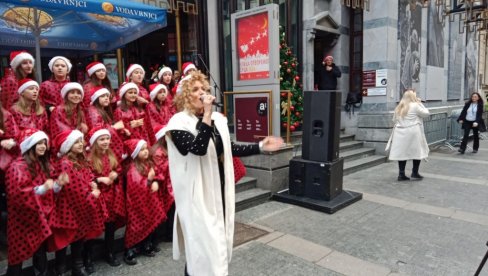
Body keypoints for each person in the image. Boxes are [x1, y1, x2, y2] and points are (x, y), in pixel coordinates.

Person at [162, 71, 283, 276]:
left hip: (218, 190)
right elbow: (197, 148)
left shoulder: (217, 120)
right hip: (196, 197)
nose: (202, 93)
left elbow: (228, 148)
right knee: (201, 249)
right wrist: (207, 114)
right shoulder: (177, 123)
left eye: (204, 89)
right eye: (196, 89)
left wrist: (260, 146)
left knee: (213, 246)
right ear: (184, 96)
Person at [4, 128, 62, 276]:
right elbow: (18, 195)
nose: (43, 146)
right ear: (29, 145)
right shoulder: (16, 167)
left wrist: (57, 185)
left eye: (44, 143)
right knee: (17, 257)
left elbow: (48, 189)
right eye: (39, 143)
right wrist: (42, 189)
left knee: (40, 251)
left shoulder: (41, 164)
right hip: (22, 221)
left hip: (39, 218)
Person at [49, 129, 106, 276]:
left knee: (79, 238)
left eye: (81, 141)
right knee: (64, 240)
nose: (80, 144)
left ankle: (77, 266)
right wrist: (92, 195)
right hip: (68, 208)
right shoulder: (65, 164)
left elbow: (89, 176)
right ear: (68, 146)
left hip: (80, 207)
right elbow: (74, 189)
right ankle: (60, 269)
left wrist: (93, 183)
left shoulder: (81, 160)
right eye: (76, 142)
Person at [87, 127, 125, 268]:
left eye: (107, 139)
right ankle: (88, 257)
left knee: (110, 226)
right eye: (101, 139)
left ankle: (110, 253)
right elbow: (87, 177)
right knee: (93, 227)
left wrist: (115, 175)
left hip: (112, 197)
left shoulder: (111, 154)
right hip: (99, 197)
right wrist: (99, 179)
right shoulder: (89, 158)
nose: (105, 142)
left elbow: (118, 169)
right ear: (95, 142)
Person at [123, 138, 166, 265]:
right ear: (135, 153)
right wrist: (149, 180)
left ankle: (146, 244)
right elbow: (135, 185)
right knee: (136, 225)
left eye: (146, 148)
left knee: (149, 220)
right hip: (137, 203)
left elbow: (157, 174)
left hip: (150, 200)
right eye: (142, 150)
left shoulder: (148, 163)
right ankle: (130, 248)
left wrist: (156, 181)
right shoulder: (132, 168)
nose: (146, 152)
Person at [386, 89, 429, 181]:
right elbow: (426, 114)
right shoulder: (416, 106)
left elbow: (394, 120)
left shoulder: (399, 106)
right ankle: (414, 172)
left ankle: (401, 174)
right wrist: (420, 103)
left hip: (400, 132)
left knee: (402, 153)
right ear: (413, 97)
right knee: (417, 152)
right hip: (413, 131)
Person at [85, 87, 127, 159]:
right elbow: (97, 131)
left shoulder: (102, 110)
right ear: (96, 98)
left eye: (107, 96)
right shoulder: (93, 112)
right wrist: (114, 127)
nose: (106, 98)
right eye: (102, 96)